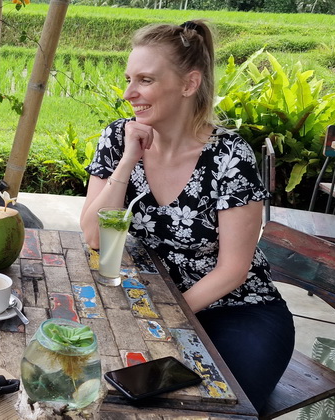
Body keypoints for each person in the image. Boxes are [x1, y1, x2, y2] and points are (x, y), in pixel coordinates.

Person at [79, 21, 294, 413]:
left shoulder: (230, 156)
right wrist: (127, 161)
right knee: (111, 397)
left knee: (218, 410)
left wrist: (165, 317)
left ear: (189, 83)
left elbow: (233, 270)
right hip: (155, 299)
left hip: (236, 311)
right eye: (128, 79)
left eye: (145, 80)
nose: (129, 93)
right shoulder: (118, 139)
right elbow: (94, 235)